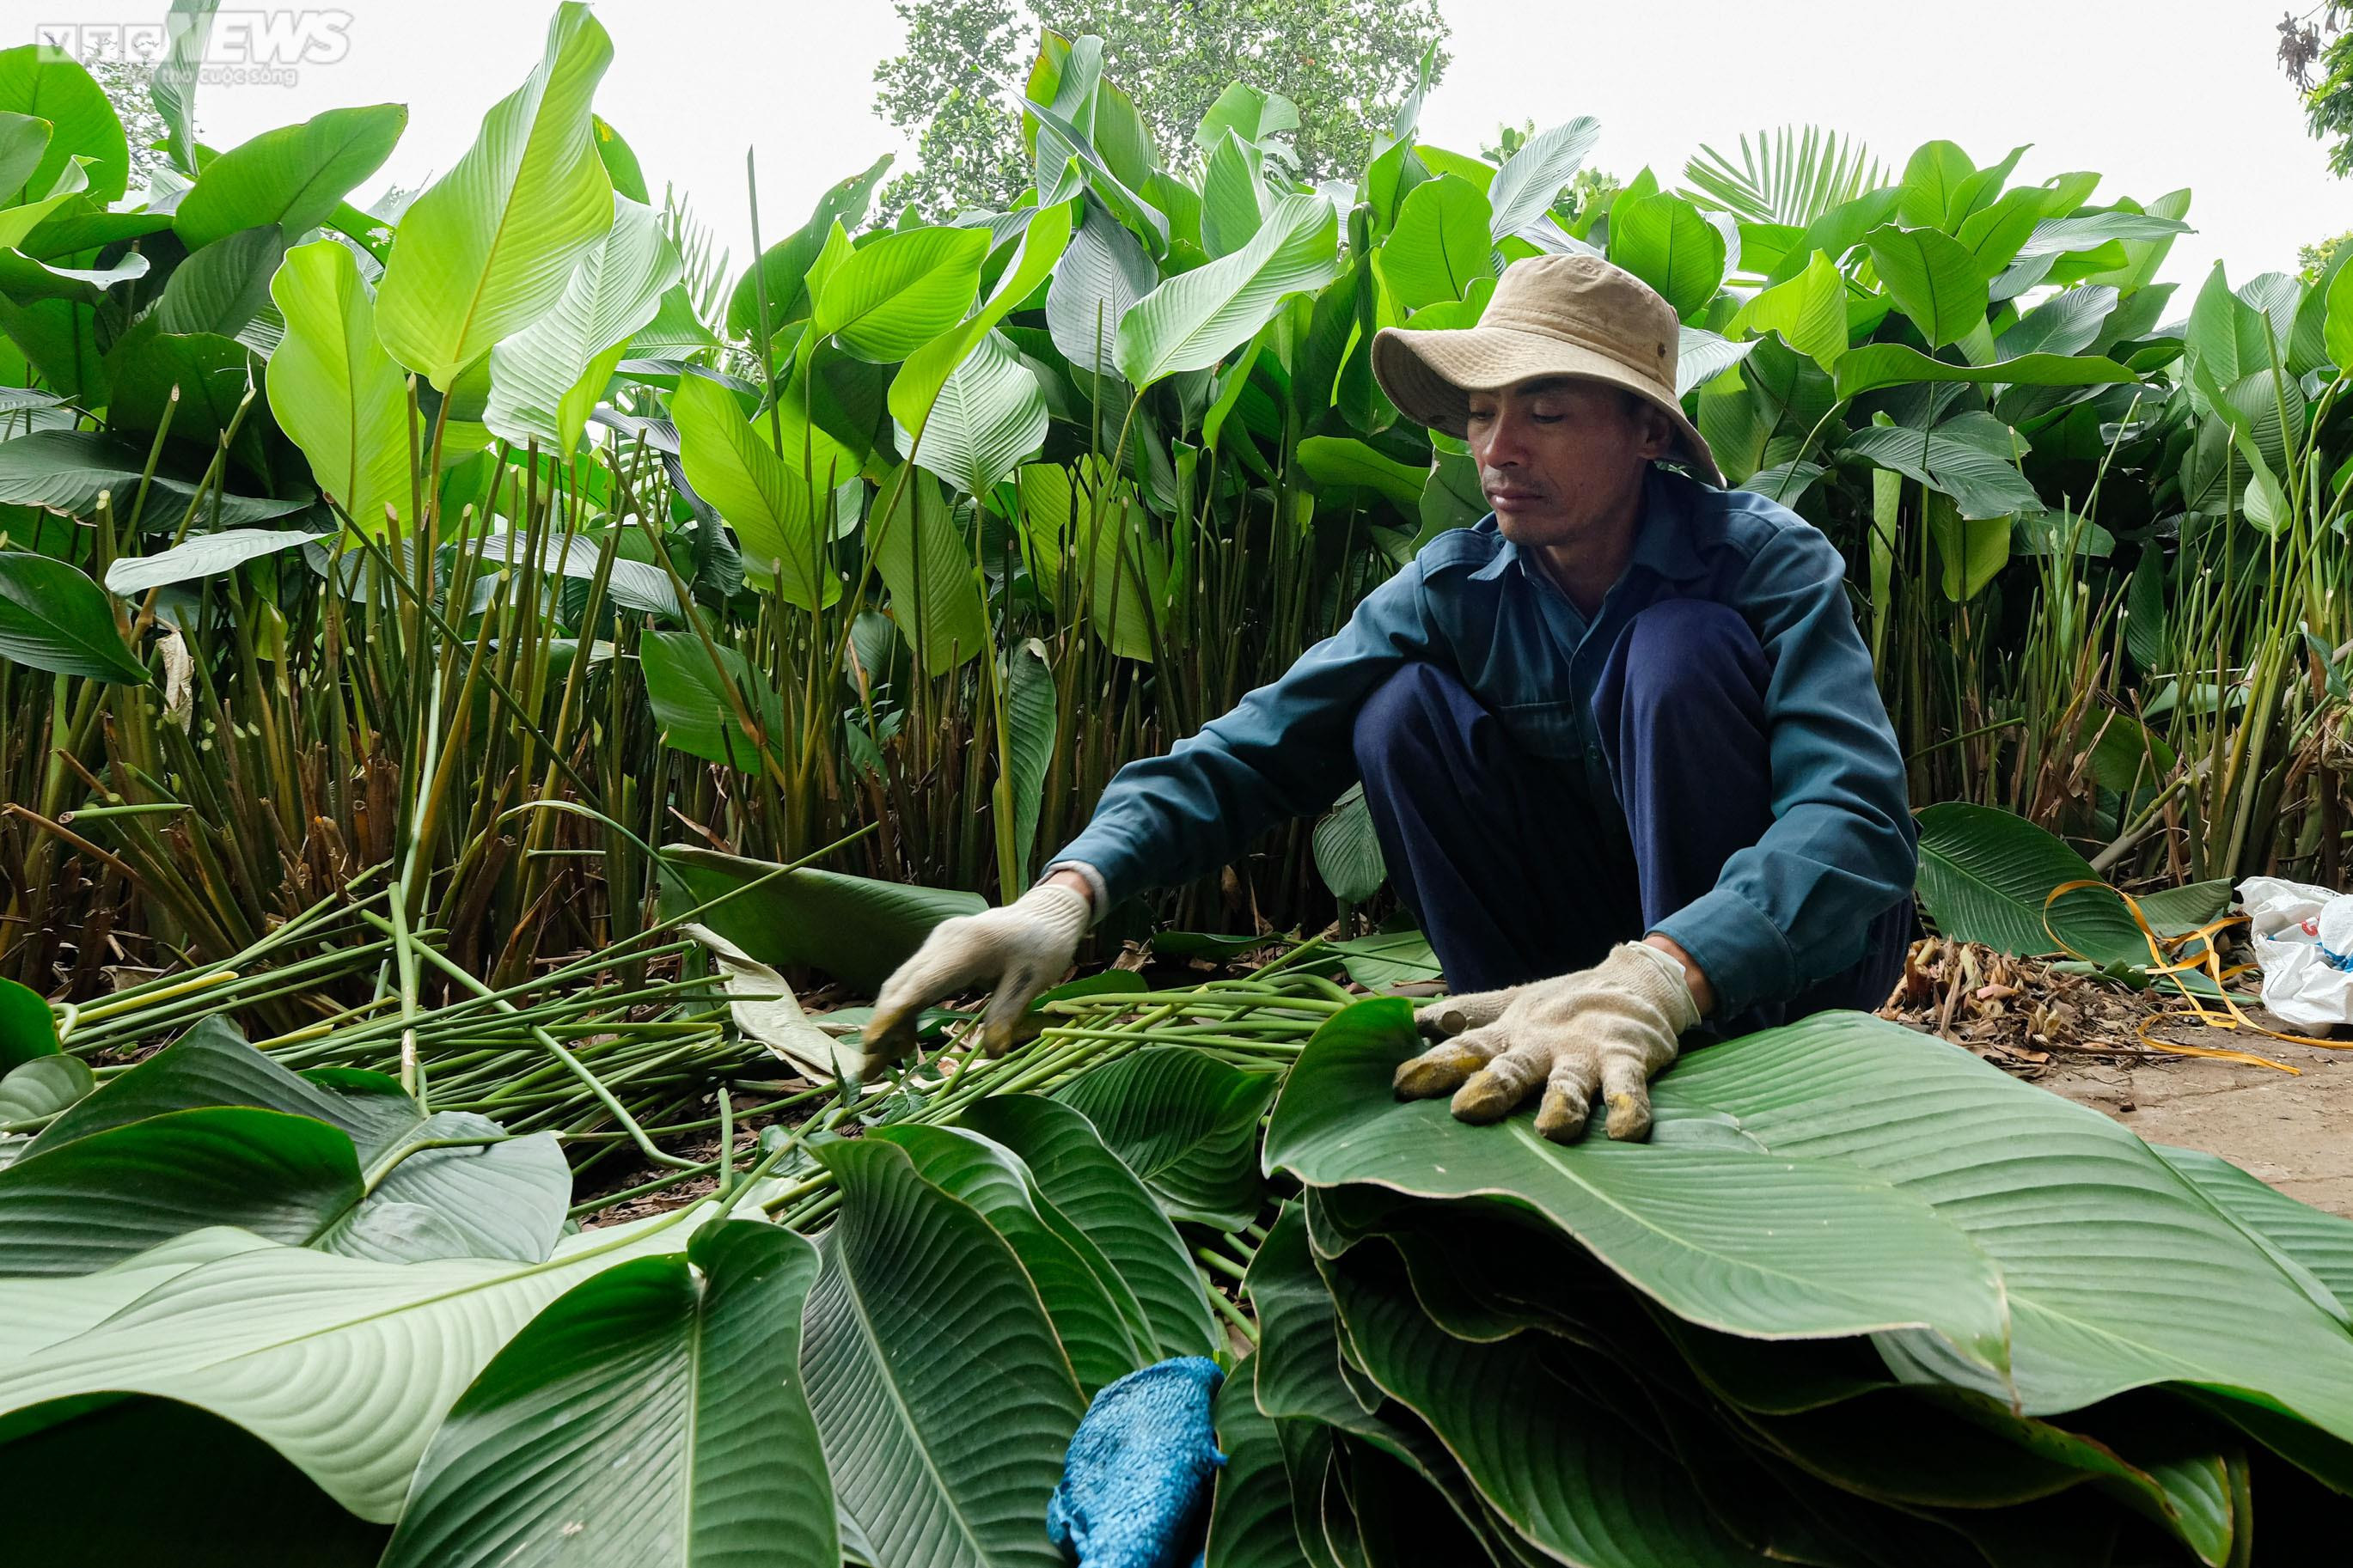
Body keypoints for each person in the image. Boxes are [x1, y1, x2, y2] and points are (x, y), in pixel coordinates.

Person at [865, 251, 1917, 1143]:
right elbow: (1254, 746)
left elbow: (1854, 821)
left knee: (1675, 652)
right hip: (1555, 970)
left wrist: (1667, 971)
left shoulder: (1766, 563)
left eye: (1544, 413)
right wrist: (1068, 893)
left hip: (1768, 965)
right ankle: (1516, 1042)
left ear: (1647, 434)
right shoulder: (1452, 586)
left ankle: (1684, 1032)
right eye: (1481, 413)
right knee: (1394, 707)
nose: (1497, 451)